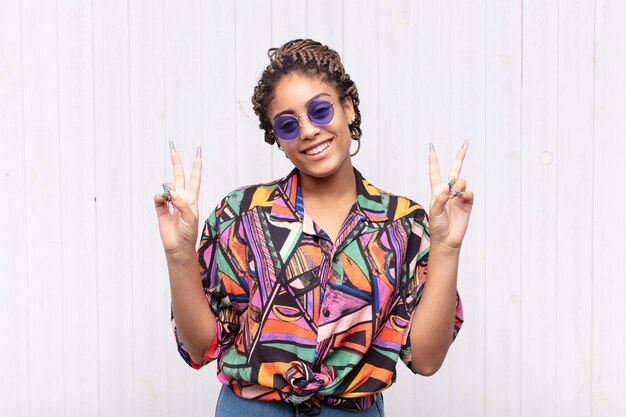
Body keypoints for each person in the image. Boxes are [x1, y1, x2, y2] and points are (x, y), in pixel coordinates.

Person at [154, 39, 473, 416]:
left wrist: (448, 249)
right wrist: (178, 255)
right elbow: (199, 348)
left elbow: (425, 360)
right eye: (288, 124)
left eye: (320, 111)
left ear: (348, 108)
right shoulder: (241, 216)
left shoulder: (403, 225)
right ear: (278, 140)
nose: (307, 131)